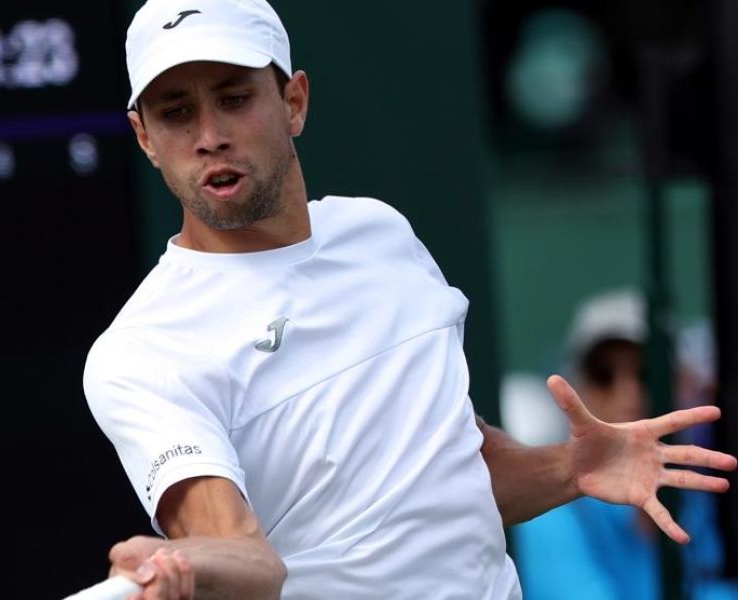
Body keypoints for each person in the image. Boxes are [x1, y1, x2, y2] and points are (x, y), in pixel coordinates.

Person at [81, 1, 737, 598]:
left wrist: (571, 467)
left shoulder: (380, 234)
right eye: (176, 112)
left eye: (233, 98)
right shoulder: (141, 356)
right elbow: (249, 560)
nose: (209, 135)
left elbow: (451, 472)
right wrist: (187, 563)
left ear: (294, 101)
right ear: (144, 137)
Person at [514, 292, 738, 600]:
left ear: (681, 384)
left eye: (647, 373)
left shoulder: (694, 500)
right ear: (576, 386)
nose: (628, 392)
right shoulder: (549, 514)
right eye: (603, 375)